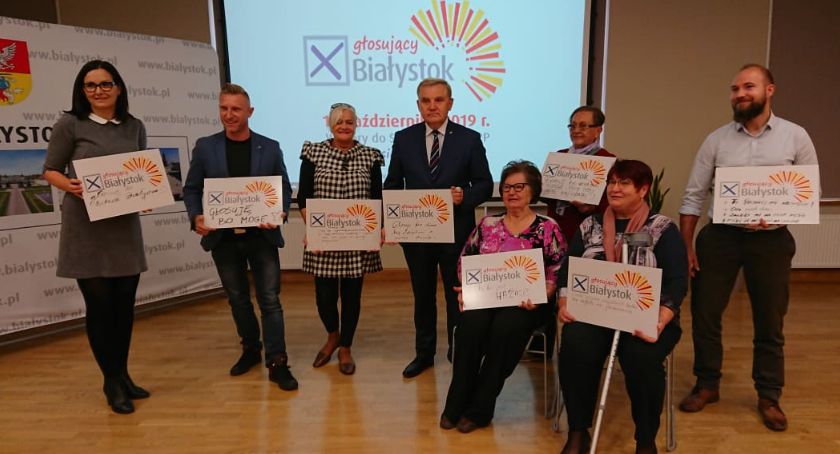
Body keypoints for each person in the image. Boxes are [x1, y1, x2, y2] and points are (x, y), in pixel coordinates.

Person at [677, 64, 818, 431]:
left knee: (770, 319)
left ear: (769, 90)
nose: (740, 94)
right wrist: (687, 246)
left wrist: (777, 210)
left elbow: (809, 192)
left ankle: (768, 395)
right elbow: (693, 195)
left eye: (748, 87)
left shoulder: (796, 136)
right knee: (706, 314)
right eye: (735, 88)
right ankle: (707, 384)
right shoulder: (716, 140)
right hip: (720, 237)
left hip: (771, 241)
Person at [557, 160, 688, 454]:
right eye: (611, 182)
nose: (614, 189)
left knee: (641, 357)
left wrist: (660, 320)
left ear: (643, 190)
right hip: (595, 312)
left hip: (648, 317)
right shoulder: (589, 226)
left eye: (624, 183)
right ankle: (578, 430)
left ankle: (645, 439)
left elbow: (677, 281)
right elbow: (568, 270)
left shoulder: (662, 229)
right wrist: (564, 302)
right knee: (576, 344)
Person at [42, 60, 150, 414]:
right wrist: (70, 185)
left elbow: (141, 170)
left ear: (118, 88)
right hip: (85, 228)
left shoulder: (134, 126)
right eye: (91, 85)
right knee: (101, 308)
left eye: (105, 84)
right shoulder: (70, 124)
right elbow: (50, 170)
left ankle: (123, 374)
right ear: (82, 90)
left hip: (123, 228)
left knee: (124, 307)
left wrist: (147, 192)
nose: (98, 91)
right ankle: (111, 381)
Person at [183, 83, 297, 391]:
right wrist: (196, 217)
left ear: (250, 112)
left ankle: (277, 362)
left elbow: (283, 187)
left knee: (270, 300)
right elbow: (191, 189)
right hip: (223, 239)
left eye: (236, 109)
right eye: (224, 108)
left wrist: (280, 212)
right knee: (237, 299)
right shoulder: (205, 147)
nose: (229, 114)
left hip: (262, 238)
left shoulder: (269, 147)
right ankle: (250, 348)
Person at [440, 160, 566, 433]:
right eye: (507, 187)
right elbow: (465, 261)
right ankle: (456, 402)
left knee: (505, 329)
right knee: (470, 326)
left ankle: (481, 408)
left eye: (519, 187)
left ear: (533, 191)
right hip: (487, 298)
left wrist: (544, 292)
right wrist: (467, 288)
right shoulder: (488, 224)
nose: (512, 192)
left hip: (527, 303)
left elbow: (558, 268)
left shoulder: (548, 228)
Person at [384, 78, 493, 378]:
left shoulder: (469, 139)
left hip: (456, 233)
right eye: (426, 100)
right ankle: (424, 354)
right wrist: (392, 223)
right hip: (416, 235)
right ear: (418, 104)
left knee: (455, 296)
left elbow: (484, 184)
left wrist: (464, 196)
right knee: (423, 297)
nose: (432, 106)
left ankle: (459, 351)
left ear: (450, 103)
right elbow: (392, 185)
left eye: (439, 100)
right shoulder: (403, 138)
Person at [297, 102, 384, 375]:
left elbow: (377, 198)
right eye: (339, 121)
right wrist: (314, 229)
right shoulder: (313, 153)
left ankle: (345, 346)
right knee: (324, 298)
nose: (344, 126)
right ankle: (332, 336)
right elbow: (304, 197)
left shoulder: (370, 156)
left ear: (356, 125)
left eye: (349, 121)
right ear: (330, 124)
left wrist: (379, 228)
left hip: (357, 242)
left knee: (351, 297)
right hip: (324, 241)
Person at [544, 106, 615, 242]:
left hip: (588, 233)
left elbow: (611, 202)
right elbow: (545, 195)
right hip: (556, 230)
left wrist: (591, 208)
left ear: (598, 130)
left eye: (583, 126)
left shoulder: (607, 160)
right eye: (572, 126)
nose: (576, 130)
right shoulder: (560, 156)